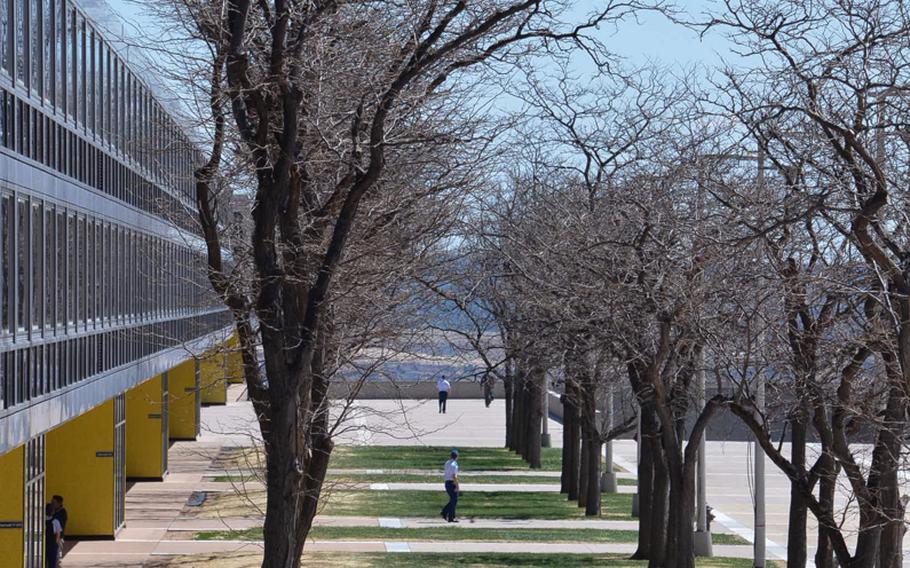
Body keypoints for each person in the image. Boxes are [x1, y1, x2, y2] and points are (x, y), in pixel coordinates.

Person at [440, 449, 459, 522]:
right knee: (454, 500)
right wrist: (457, 485)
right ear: (457, 456)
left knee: (452, 500)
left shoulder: (447, 463)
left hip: (447, 482)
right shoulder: (454, 465)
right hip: (452, 483)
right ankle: (448, 515)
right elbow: (454, 476)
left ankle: (447, 514)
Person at [45, 503, 62, 568]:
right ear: (53, 511)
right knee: (52, 563)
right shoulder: (55, 521)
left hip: (44, 544)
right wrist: (58, 544)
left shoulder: (42, 521)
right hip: (52, 545)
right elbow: (58, 534)